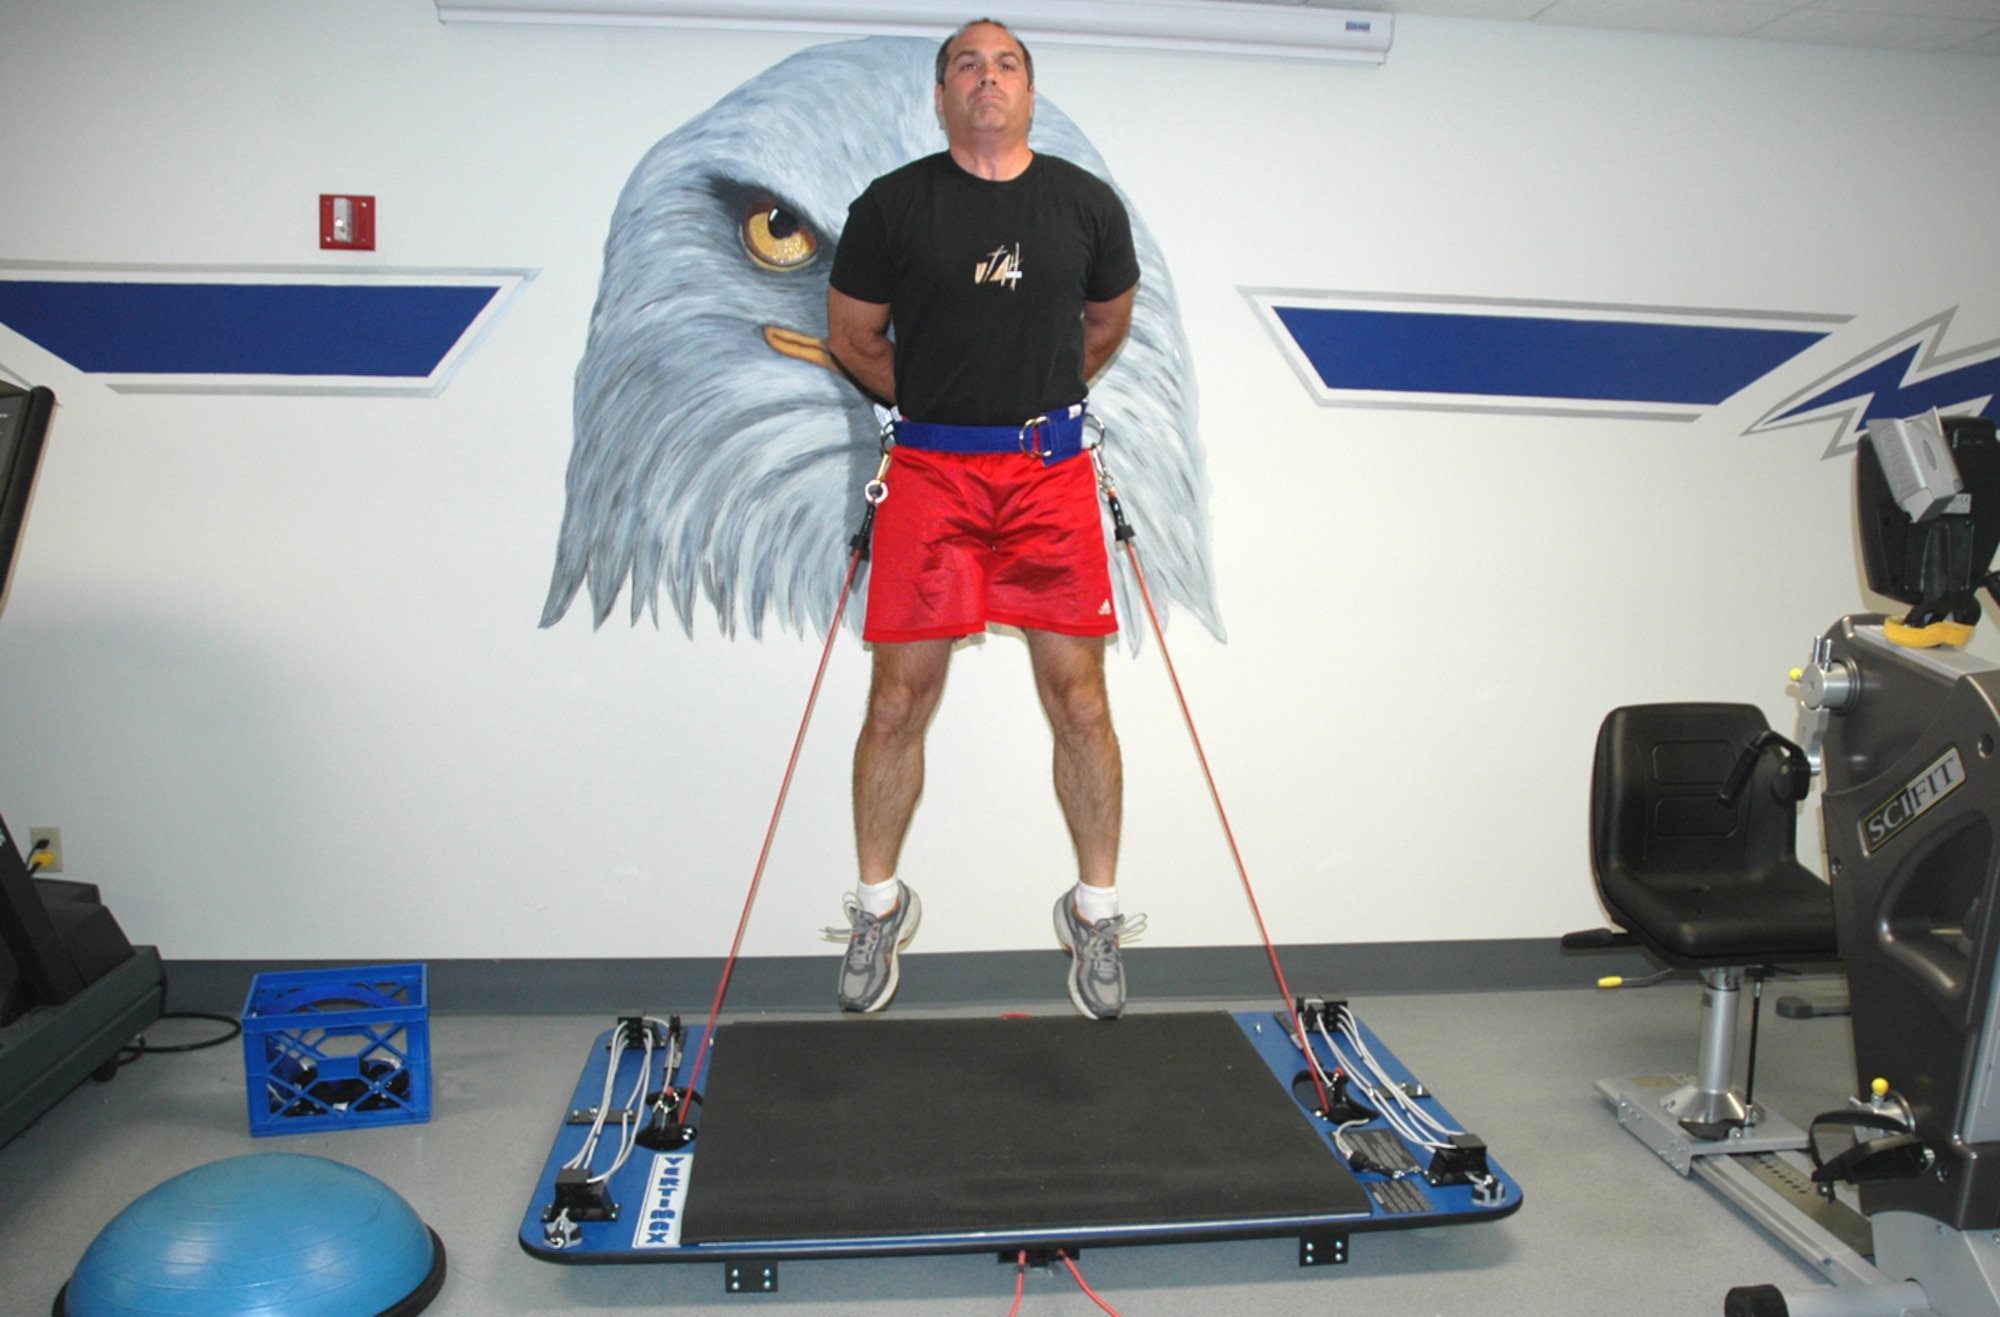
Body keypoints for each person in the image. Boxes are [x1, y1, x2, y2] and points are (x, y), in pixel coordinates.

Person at [824, 17, 1142, 1020]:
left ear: (1029, 91)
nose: (986, 77)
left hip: (1046, 478)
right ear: (941, 93)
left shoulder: (1085, 205)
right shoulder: (892, 205)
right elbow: (852, 336)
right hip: (929, 475)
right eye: (967, 63)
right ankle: (879, 907)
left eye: (1005, 63)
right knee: (896, 701)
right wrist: (934, 408)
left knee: (1080, 701)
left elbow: (1106, 323)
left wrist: (1033, 404)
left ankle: (1093, 914)